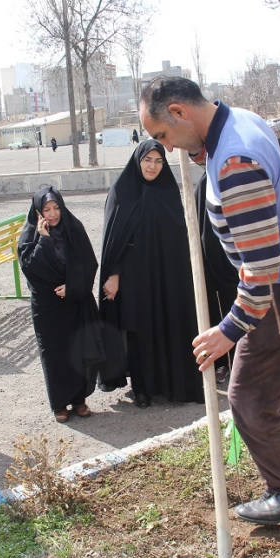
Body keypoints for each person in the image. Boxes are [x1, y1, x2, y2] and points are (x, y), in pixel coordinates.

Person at [139, 76, 280, 525]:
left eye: (163, 135)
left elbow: (263, 269)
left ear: (180, 112)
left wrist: (229, 331)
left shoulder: (234, 163)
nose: (166, 149)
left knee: (249, 396)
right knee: (268, 391)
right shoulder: (237, 122)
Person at [192, 138, 280, 384]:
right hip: (228, 270)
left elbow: (265, 245)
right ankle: (231, 364)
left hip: (269, 272)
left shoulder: (242, 167)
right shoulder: (209, 181)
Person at [98, 140, 203, 408]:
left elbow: (180, 237)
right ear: (138, 160)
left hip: (165, 273)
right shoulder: (122, 191)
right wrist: (114, 274)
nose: (153, 166)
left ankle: (167, 384)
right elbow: (113, 240)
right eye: (148, 160)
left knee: (167, 324)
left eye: (158, 161)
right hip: (133, 275)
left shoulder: (167, 190)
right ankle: (142, 388)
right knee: (138, 330)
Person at [18, 186, 104, 422]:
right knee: (55, 354)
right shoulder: (29, 236)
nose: (53, 214)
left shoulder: (74, 228)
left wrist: (73, 286)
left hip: (75, 302)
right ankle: (59, 404)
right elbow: (31, 269)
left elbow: (89, 264)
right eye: (46, 209)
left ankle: (79, 400)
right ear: (37, 212)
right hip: (48, 307)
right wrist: (44, 240)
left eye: (56, 208)